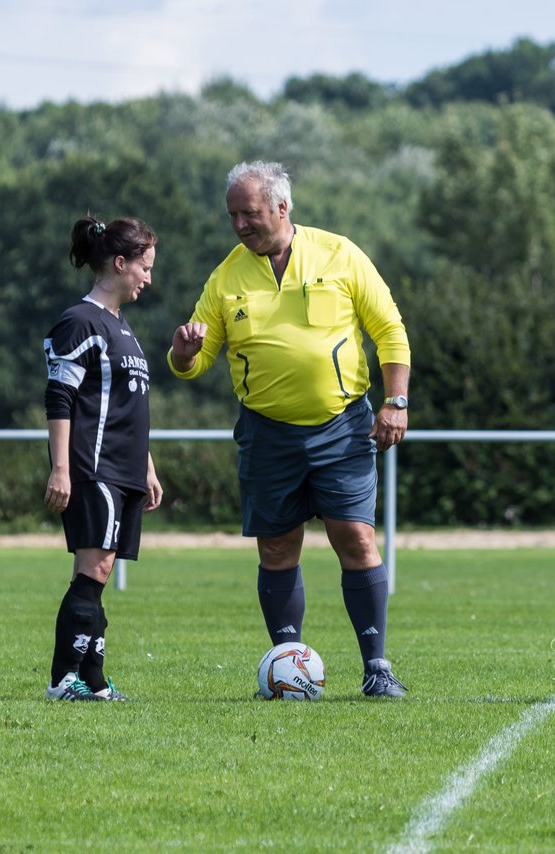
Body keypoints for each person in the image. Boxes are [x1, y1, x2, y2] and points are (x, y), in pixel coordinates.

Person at [167, 161, 412, 698]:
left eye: (248, 213)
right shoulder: (226, 275)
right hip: (267, 433)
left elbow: (389, 330)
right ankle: (287, 666)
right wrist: (183, 354)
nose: (239, 224)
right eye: (232, 214)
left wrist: (395, 402)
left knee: (356, 537)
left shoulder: (340, 253)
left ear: (282, 208)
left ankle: (377, 667)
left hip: (343, 426)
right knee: (277, 551)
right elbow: (197, 357)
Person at [42, 215, 163, 702]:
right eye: (144, 267)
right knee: (95, 570)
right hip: (93, 468)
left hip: (125, 469)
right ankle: (63, 680)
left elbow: (128, 406)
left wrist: (147, 465)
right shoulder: (80, 321)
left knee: (98, 572)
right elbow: (59, 398)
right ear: (120, 263)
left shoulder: (122, 328)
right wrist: (61, 468)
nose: (148, 278)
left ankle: (91, 682)